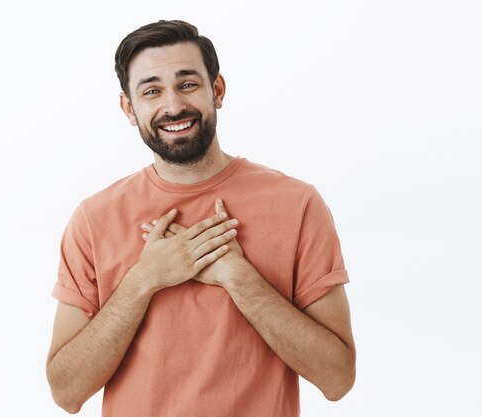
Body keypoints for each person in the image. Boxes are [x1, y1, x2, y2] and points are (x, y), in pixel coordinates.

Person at [46, 19, 355, 417]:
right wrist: (143, 281)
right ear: (129, 107)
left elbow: (337, 378)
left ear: (218, 90)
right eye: (152, 90)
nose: (173, 105)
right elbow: (65, 392)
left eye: (187, 83)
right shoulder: (93, 218)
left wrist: (238, 277)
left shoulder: (298, 205)